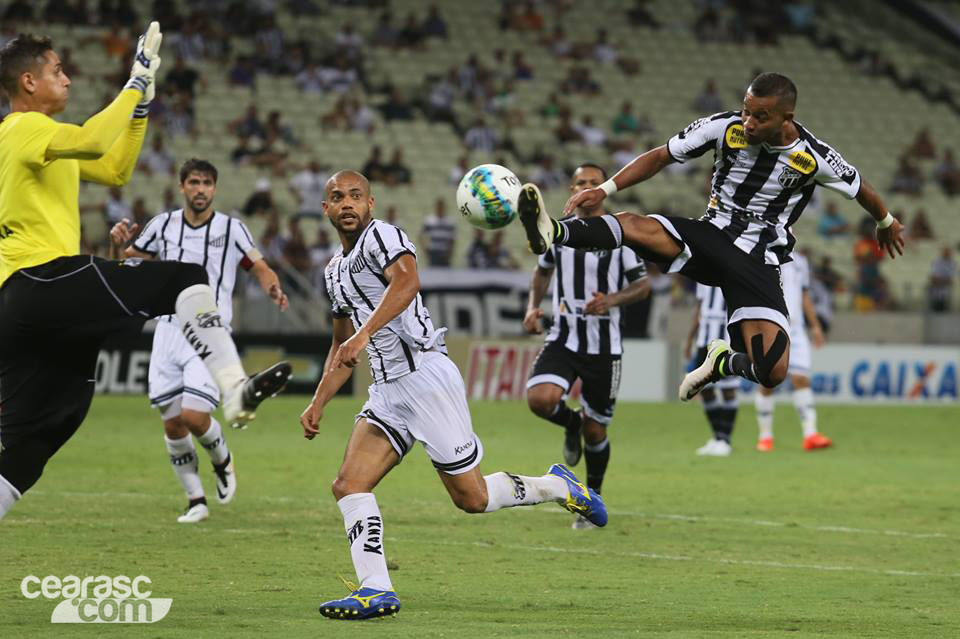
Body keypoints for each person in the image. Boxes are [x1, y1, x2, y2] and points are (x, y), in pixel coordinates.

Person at [0, 27, 290, 520]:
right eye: (57, 71)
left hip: (23, 305)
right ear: (28, 82)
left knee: (43, 433)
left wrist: (139, 110)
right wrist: (134, 81)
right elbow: (94, 139)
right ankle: (234, 386)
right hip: (37, 280)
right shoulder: (25, 129)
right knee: (183, 276)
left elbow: (113, 170)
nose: (67, 79)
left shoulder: (45, 142)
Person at [299, 171, 607, 620]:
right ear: (324, 209)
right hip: (386, 392)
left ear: (372, 202)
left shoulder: (382, 236)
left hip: (425, 378)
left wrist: (364, 335)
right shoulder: (333, 272)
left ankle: (559, 485)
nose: (346, 203)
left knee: (472, 499)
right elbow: (339, 344)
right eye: (336, 198)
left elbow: (407, 284)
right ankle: (376, 589)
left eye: (355, 196)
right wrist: (318, 401)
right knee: (349, 484)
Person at [517, 72, 905, 401]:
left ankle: (721, 361)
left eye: (761, 116)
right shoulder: (723, 128)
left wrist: (886, 221)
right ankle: (555, 231)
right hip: (712, 235)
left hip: (760, 261)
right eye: (746, 110)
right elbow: (661, 155)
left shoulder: (814, 156)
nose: (749, 122)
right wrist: (605, 190)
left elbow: (861, 188)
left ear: (787, 117)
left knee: (772, 371)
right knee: (636, 226)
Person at [109, 159, 289, 523]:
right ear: (182, 187)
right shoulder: (162, 225)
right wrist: (116, 247)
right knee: (172, 423)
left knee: (193, 414)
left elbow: (259, 264)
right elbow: (126, 268)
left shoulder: (232, 228)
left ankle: (222, 460)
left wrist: (270, 283)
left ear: (215, 189)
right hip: (167, 332)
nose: (201, 189)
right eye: (194, 182)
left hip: (209, 330)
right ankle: (196, 501)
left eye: (207, 182)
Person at [523, 164, 649, 527]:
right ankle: (571, 423)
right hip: (564, 336)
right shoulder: (557, 234)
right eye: (582, 182)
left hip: (604, 348)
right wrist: (533, 306)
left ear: (603, 190)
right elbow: (542, 270)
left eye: (595, 182)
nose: (588, 187)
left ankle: (591, 499)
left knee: (597, 430)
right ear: (572, 188)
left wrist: (610, 301)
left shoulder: (620, 236)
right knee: (540, 399)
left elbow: (642, 287)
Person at [754, 251, 831, 452]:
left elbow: (804, 294)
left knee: (801, 379)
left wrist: (814, 326)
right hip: (770, 325)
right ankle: (765, 437)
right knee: (768, 382)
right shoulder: (760, 252)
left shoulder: (801, 261)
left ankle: (810, 434)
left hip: (796, 329)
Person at [684, 285, 739, 456]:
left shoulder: (734, 267)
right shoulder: (702, 275)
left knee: (728, 389)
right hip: (704, 339)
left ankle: (725, 440)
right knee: (704, 388)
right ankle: (718, 438)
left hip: (727, 337)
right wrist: (689, 339)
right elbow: (700, 307)